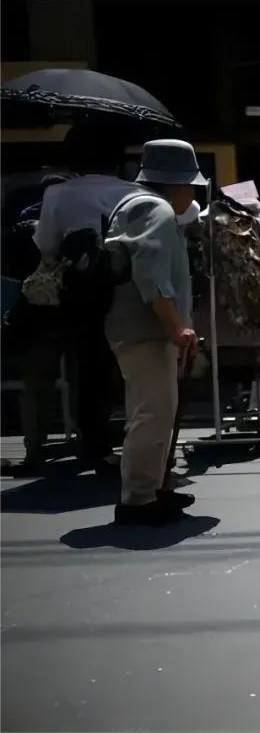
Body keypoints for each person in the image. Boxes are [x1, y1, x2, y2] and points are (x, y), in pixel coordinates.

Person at [29, 125, 143, 475]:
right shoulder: (136, 193)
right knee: (137, 367)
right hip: (131, 290)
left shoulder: (58, 195)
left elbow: (45, 246)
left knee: (90, 365)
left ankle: (95, 440)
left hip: (82, 293)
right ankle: (138, 437)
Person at [104, 139, 203, 526]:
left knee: (152, 411)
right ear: (176, 184)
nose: (193, 193)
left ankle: (153, 486)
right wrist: (177, 327)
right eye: (191, 185)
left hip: (134, 327)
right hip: (147, 331)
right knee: (154, 413)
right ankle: (139, 498)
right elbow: (151, 275)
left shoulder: (132, 205)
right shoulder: (156, 210)